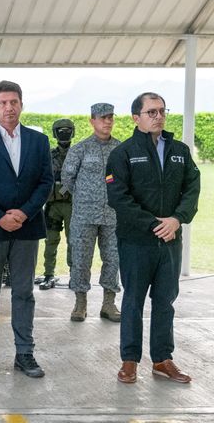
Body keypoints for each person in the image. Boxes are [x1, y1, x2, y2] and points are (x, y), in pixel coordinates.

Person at [107, 92, 200, 384]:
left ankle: (162, 360)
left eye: (162, 110)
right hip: (136, 241)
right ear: (136, 118)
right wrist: (152, 224)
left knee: (165, 301)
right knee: (133, 301)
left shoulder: (180, 151)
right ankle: (129, 361)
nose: (158, 116)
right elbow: (118, 198)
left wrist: (176, 220)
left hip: (170, 240)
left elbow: (192, 189)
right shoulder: (122, 153)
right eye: (151, 112)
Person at [0, 80, 53, 378]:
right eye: (2, 103)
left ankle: (24, 352)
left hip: (27, 228)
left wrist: (25, 212)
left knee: (24, 292)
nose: (8, 107)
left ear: (21, 105)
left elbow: (46, 182)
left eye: (13, 102)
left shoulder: (38, 141)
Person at [60, 103, 121, 322]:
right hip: (84, 216)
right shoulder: (80, 149)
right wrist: (85, 195)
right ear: (92, 121)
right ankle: (80, 303)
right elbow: (67, 178)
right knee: (81, 260)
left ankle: (108, 303)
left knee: (113, 259)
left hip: (113, 215)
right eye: (103, 117)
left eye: (110, 117)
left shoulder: (120, 149)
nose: (107, 121)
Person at [38, 119, 74, 290]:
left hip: (72, 206)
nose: (64, 134)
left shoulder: (77, 154)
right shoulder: (48, 155)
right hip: (52, 205)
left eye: (67, 130)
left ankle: (75, 275)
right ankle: (48, 274)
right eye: (61, 130)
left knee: (74, 241)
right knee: (50, 240)